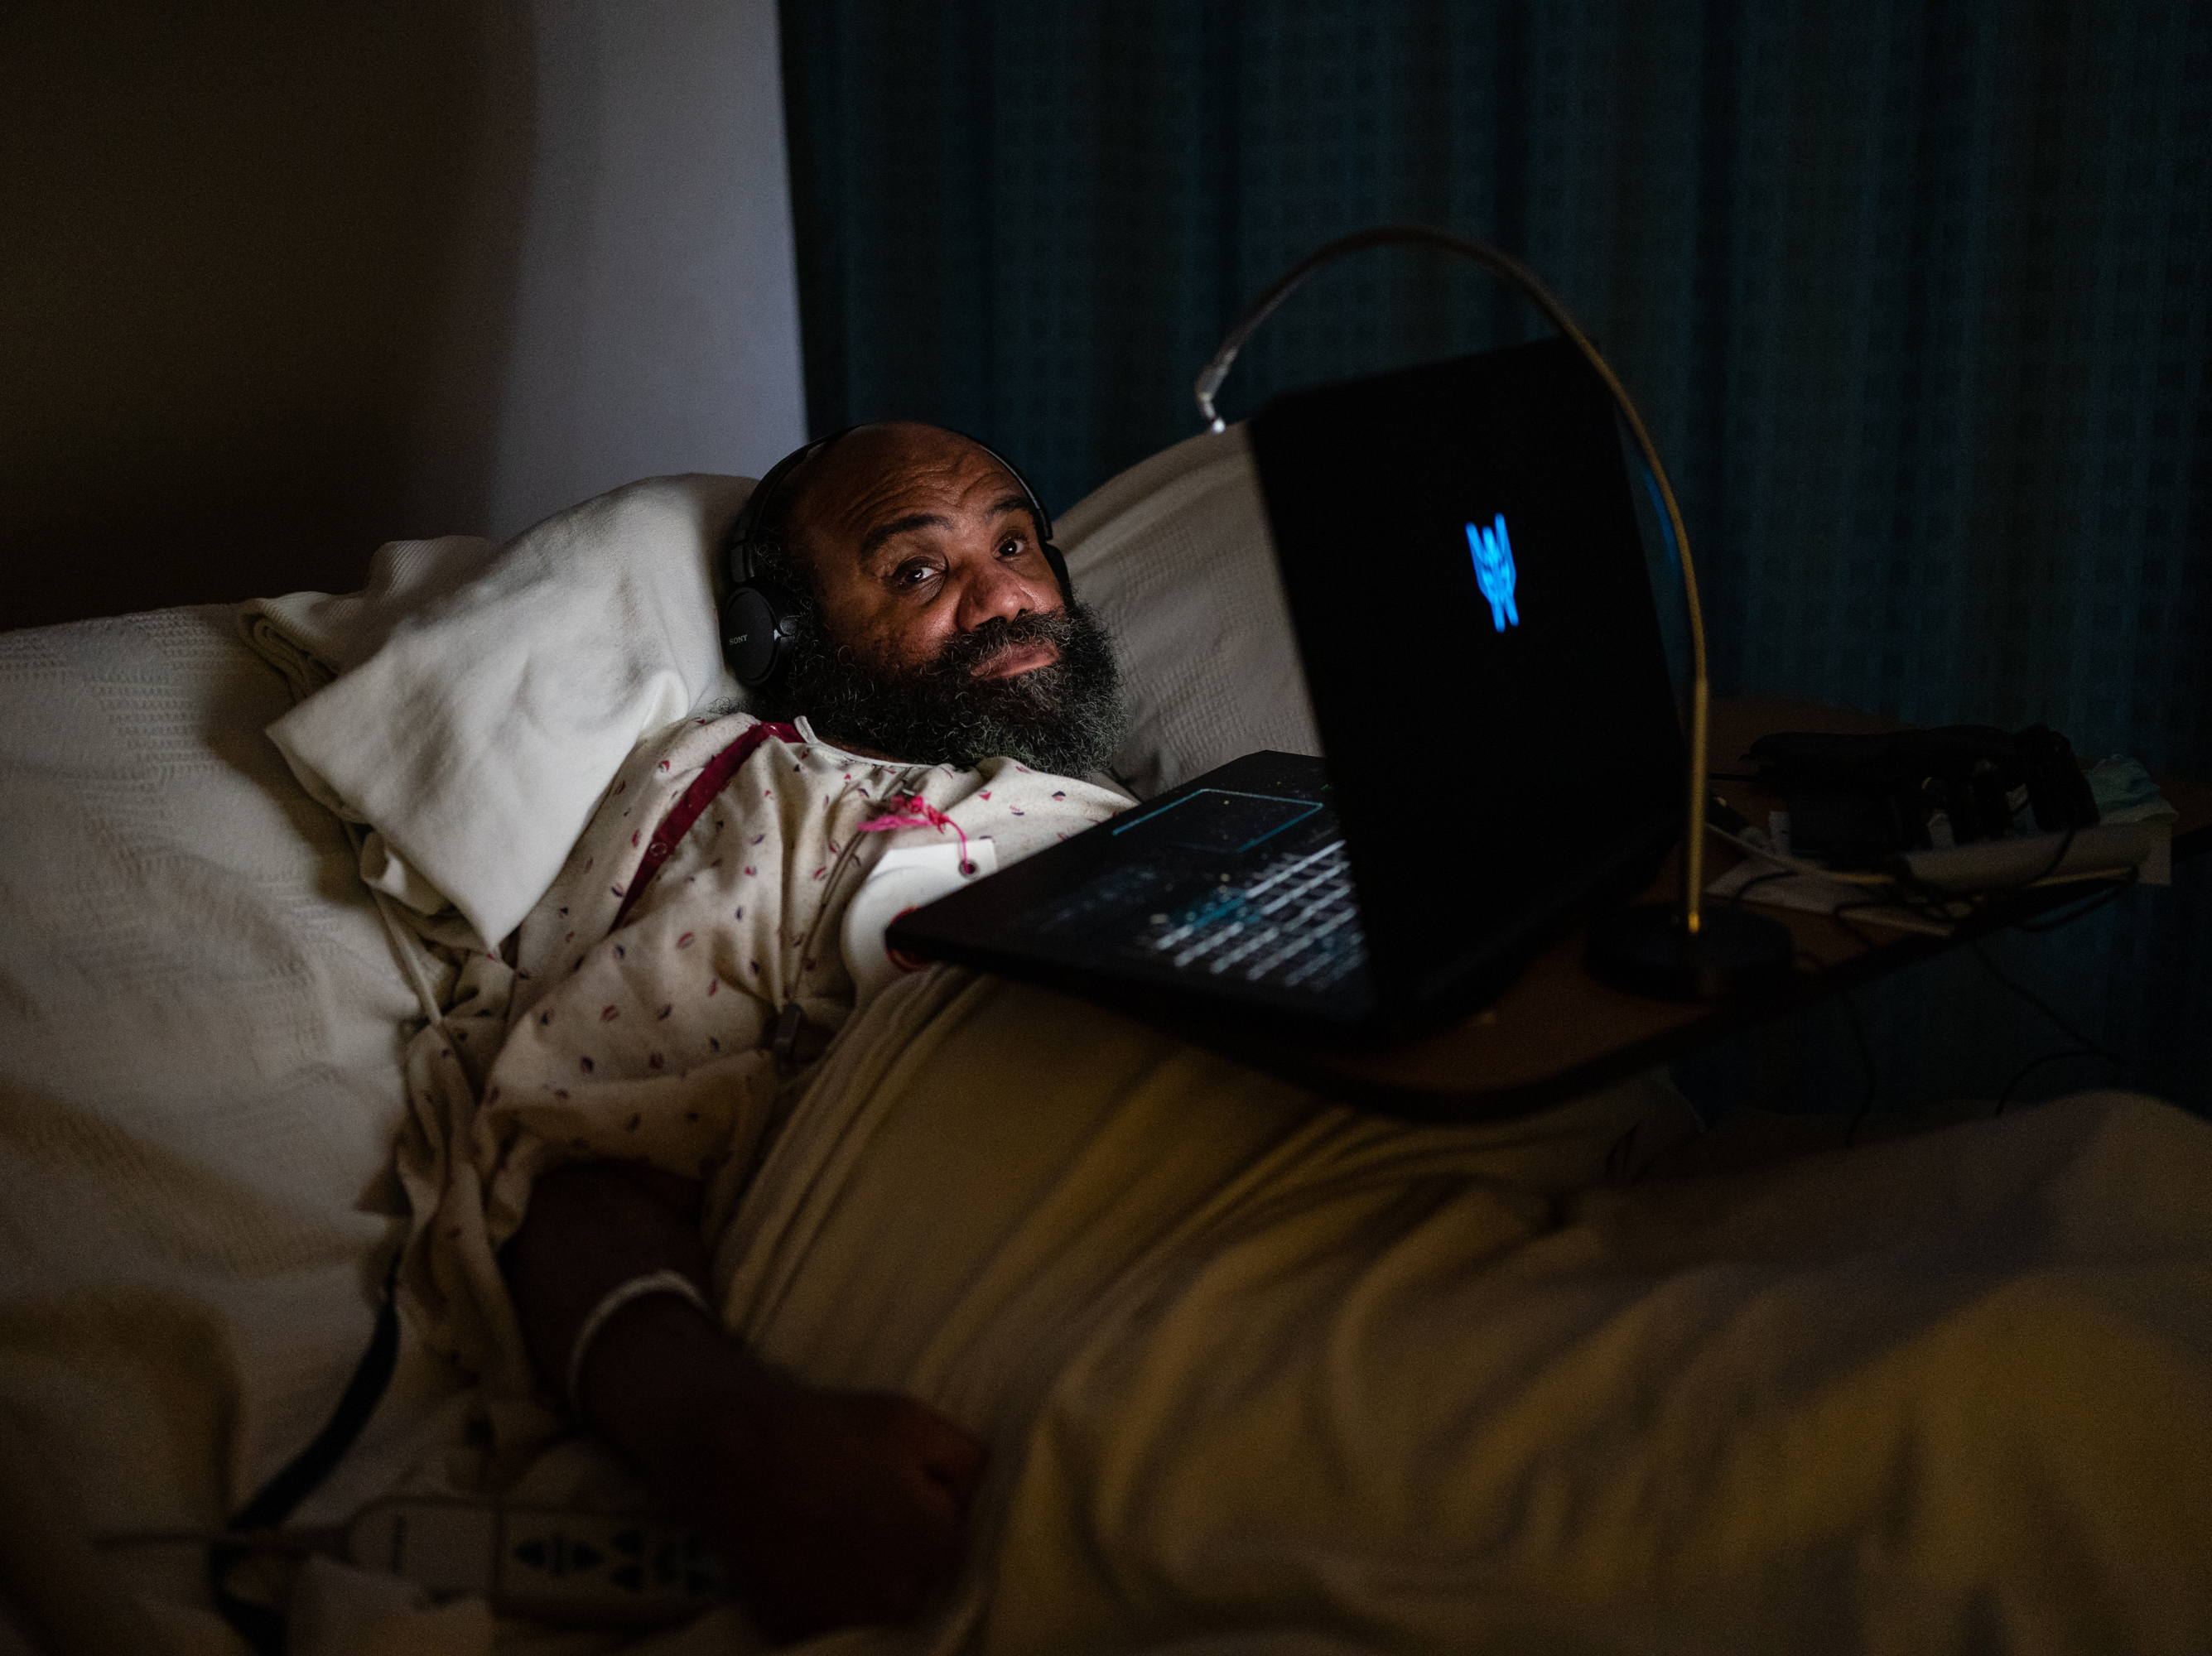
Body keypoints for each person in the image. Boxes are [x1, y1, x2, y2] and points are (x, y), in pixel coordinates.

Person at [480, 421, 1129, 1639]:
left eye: (1014, 544)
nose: (1007, 598)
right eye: (919, 571)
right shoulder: (777, 794)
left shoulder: (1120, 799)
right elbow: (588, 1170)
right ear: (779, 639)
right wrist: (727, 1440)